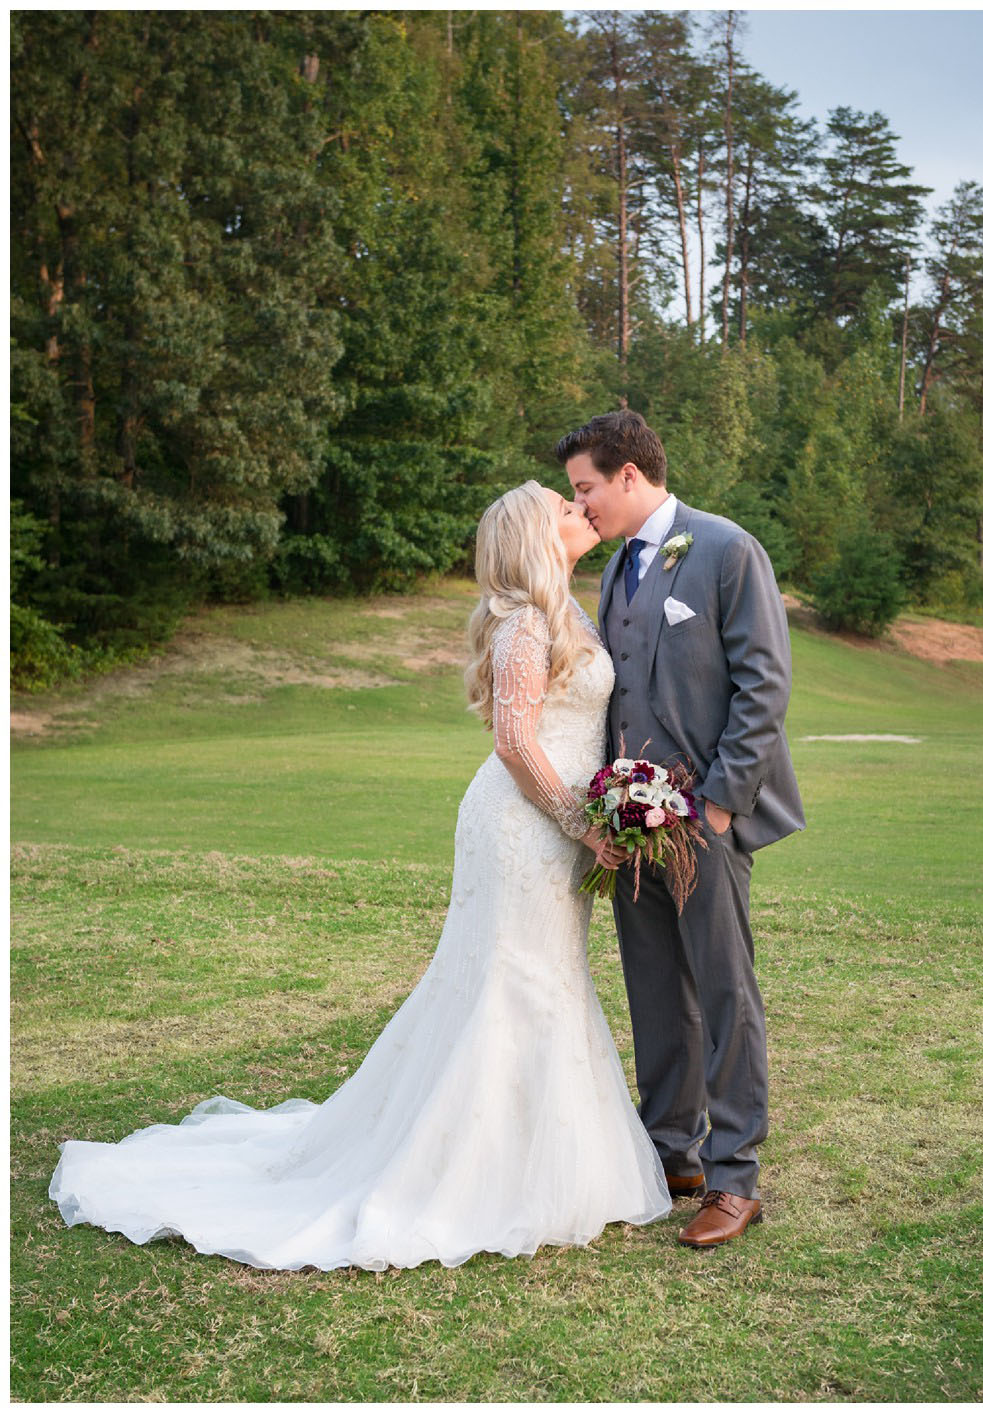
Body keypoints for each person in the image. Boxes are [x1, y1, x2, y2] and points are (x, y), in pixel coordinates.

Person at [49, 483, 675, 1270]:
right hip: (525, 829)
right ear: (532, 536)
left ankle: (538, 1155)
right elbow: (516, 742)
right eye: (561, 504)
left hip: (554, 832)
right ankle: (478, 1172)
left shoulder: (569, 610)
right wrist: (582, 822)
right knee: (509, 981)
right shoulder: (523, 622)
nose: (576, 509)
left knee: (544, 976)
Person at [559, 409, 803, 1250]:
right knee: (656, 989)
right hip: (627, 823)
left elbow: (764, 685)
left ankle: (737, 1178)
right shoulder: (617, 565)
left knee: (725, 991)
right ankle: (674, 1152)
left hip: (705, 820)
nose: (581, 505)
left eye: (586, 487)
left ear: (631, 474)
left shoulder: (726, 549)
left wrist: (723, 805)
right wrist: (610, 805)